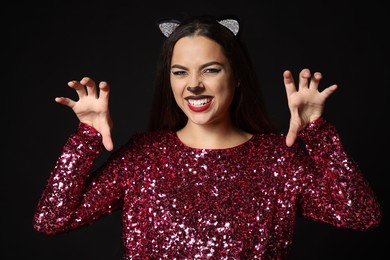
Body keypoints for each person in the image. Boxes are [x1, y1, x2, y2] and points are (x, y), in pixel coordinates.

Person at [32, 14, 381, 259]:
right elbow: (52, 219)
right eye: (180, 72)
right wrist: (87, 136)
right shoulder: (143, 156)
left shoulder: (278, 159)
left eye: (210, 70)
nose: (194, 84)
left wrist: (317, 133)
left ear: (237, 76)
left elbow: (361, 215)